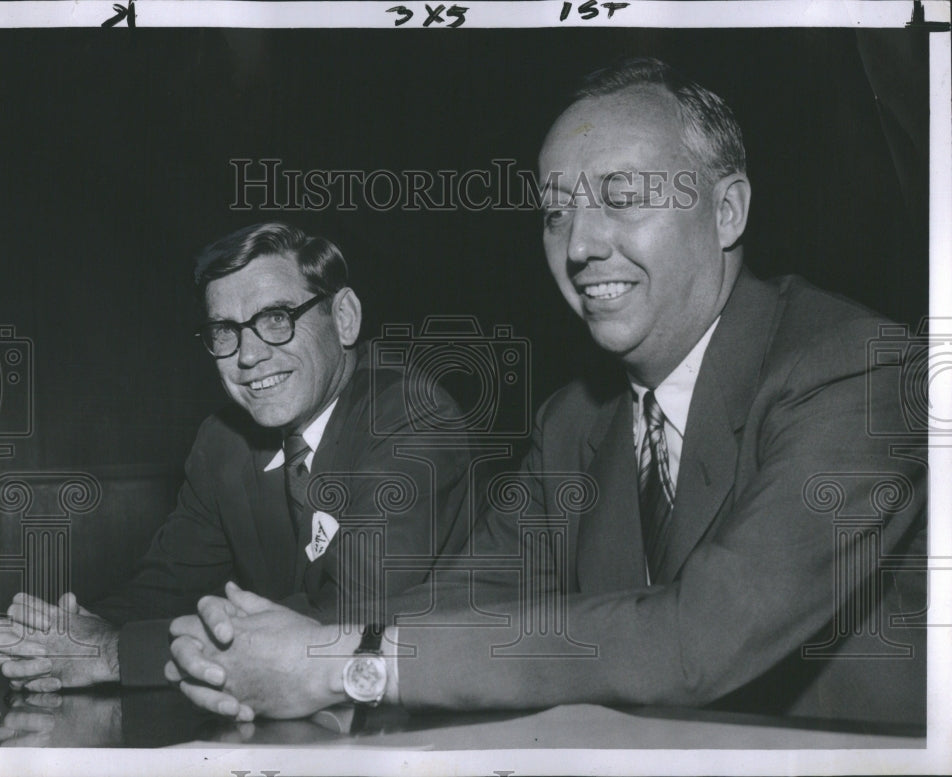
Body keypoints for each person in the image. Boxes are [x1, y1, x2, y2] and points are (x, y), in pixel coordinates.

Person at [166, 58, 927, 726]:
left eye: (621, 195)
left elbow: (700, 638)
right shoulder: (577, 419)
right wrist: (235, 646)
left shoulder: (858, 368)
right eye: (556, 212)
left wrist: (348, 665)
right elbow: (461, 597)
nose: (581, 244)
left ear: (727, 210)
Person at [0, 222, 473, 690]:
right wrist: (63, 634)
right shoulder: (222, 441)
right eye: (225, 331)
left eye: (276, 319)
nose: (248, 355)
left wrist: (113, 652)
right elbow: (165, 587)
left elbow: (346, 616)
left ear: (344, 318)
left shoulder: (413, 418)